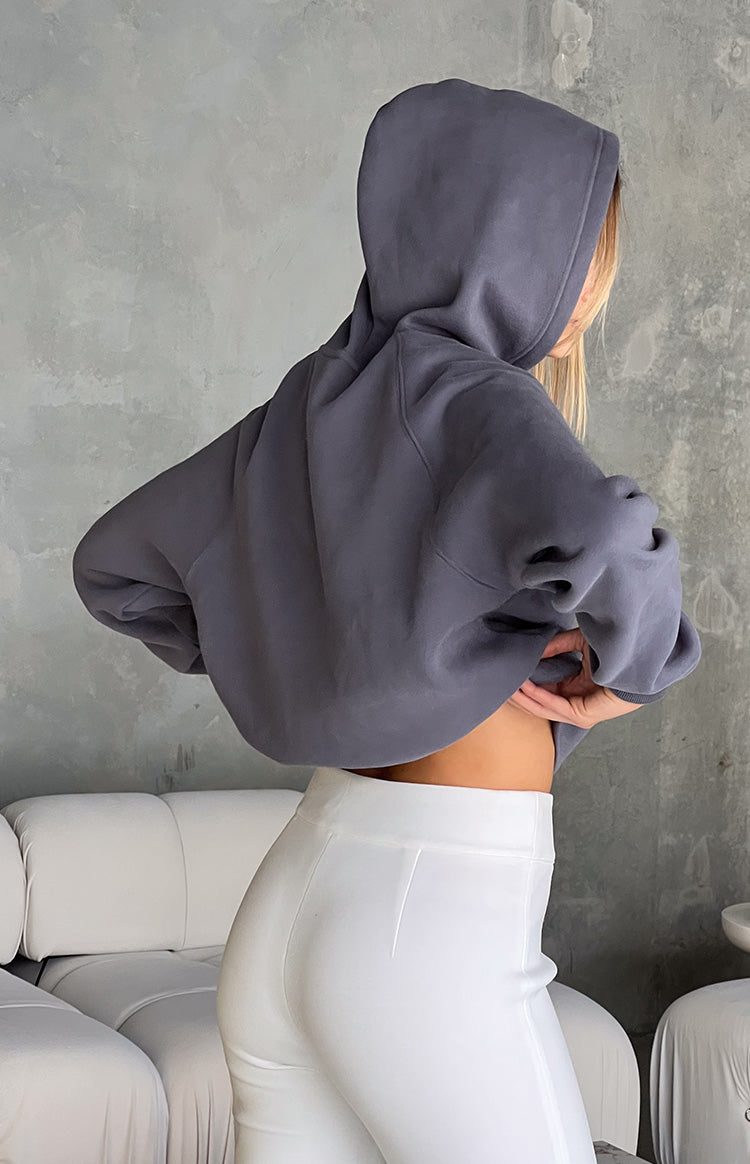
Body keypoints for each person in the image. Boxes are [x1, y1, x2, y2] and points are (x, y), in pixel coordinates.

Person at [71, 79, 702, 1162]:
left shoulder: (314, 399)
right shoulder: (479, 396)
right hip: (429, 915)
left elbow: (115, 568)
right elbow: (612, 535)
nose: (590, 296)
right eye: (580, 257)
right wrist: (633, 672)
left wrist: (305, 650)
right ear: (509, 238)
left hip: (299, 898)